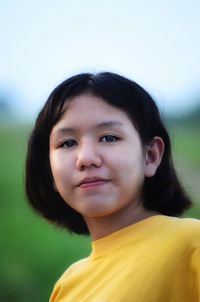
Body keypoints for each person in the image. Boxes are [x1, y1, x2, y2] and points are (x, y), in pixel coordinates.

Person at [25, 72, 200, 302]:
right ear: (50, 172)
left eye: (108, 137)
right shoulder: (67, 285)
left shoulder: (190, 243)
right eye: (67, 143)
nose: (86, 158)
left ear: (150, 156)